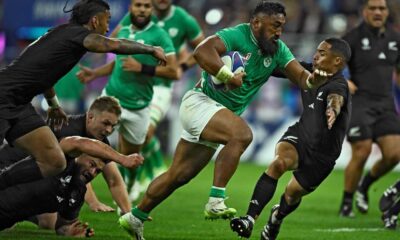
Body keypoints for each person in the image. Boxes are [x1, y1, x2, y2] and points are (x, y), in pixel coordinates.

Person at [118, 2, 333, 239]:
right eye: (275, 26)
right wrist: (226, 75)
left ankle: (135, 217)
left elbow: (303, 78)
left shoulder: (278, 50)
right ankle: (216, 199)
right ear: (256, 23)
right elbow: (201, 51)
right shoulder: (238, 34)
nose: (279, 31)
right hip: (200, 102)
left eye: (282, 26)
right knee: (242, 135)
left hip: (215, 114)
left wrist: (316, 80)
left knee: (179, 175)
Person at [0, 0, 166, 190]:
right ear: (95, 21)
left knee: (53, 161)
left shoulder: (61, 35)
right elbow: (113, 45)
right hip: (3, 95)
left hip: (20, 104)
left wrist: (53, 105)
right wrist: (151, 49)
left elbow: (43, 75)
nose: (108, 26)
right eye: (107, 20)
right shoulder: (77, 35)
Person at [229, 37, 351, 239]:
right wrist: (252, 64)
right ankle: (249, 219)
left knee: (292, 194)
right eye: (317, 51)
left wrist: (332, 110)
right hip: (300, 135)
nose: (315, 55)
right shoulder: (307, 70)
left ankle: (276, 218)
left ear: (337, 61)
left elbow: (336, 99)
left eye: (322, 53)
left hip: (323, 155)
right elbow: (277, 68)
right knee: (278, 164)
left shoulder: (339, 84)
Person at [77, 0, 178, 197]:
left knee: (130, 158)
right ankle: (75, 190)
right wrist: (95, 74)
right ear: (130, 7)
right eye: (138, 5)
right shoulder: (121, 29)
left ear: (152, 9)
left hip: (138, 106)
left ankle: (130, 187)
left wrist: (142, 68)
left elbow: (173, 71)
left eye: (147, 6)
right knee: (86, 147)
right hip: (110, 100)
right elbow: (118, 62)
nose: (142, 9)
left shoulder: (159, 34)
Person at [107, 0, 205, 200]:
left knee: (145, 133)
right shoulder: (136, 18)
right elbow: (112, 41)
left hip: (161, 86)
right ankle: (140, 174)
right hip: (133, 84)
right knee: (129, 138)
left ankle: (142, 175)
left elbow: (202, 49)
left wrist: (182, 66)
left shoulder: (184, 20)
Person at [0, 96, 133, 229]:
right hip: (10, 164)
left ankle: (21, 213)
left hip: (37, 172)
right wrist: (93, 201)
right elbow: (77, 175)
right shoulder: (68, 128)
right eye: (106, 123)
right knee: (17, 204)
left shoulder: (99, 143)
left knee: (50, 222)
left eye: (113, 126)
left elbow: (113, 179)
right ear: (90, 117)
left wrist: (129, 215)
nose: (109, 130)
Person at [0, 136, 144, 237]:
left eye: (98, 171)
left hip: (5, 220)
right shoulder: (58, 160)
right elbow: (77, 142)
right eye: (92, 165)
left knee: (48, 222)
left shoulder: (77, 193)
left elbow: (62, 226)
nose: (93, 172)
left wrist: (69, 231)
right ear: (79, 155)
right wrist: (122, 159)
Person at [338, 0, 400, 217]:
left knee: (394, 155)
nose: (377, 12)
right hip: (361, 102)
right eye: (372, 8)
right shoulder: (351, 38)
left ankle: (364, 186)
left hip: (386, 103)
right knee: (362, 150)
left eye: (381, 8)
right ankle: (346, 202)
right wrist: (345, 82)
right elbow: (331, 66)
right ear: (364, 11)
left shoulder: (395, 38)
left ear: (386, 12)